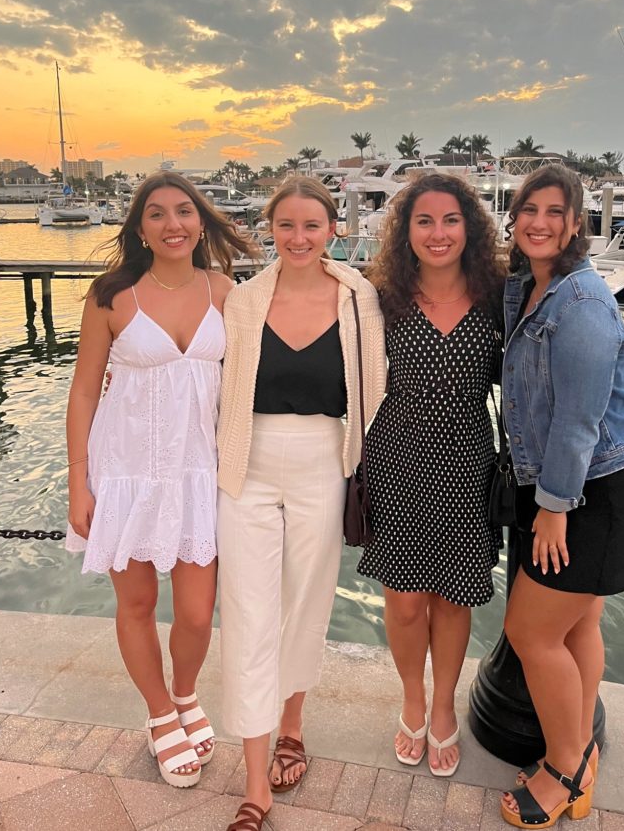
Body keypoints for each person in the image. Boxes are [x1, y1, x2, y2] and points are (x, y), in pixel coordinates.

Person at [65, 171, 256, 789]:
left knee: (197, 614)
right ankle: (159, 714)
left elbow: (249, 383)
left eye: (184, 211)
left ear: (201, 222)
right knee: (139, 604)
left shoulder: (225, 291)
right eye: (157, 213)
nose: (173, 223)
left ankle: (184, 693)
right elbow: (84, 390)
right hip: (125, 472)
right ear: (140, 229)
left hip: (199, 474)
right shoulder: (111, 295)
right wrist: (78, 482)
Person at [215, 177, 387, 831]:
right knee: (248, 611)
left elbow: (374, 391)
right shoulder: (243, 300)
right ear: (270, 229)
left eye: (311, 225)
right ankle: (255, 783)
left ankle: (292, 726)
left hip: (323, 460)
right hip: (247, 463)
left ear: (332, 230)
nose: (298, 237)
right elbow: (215, 384)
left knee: (306, 604)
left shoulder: (358, 298)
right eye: (285, 225)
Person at [499, 165, 624, 828]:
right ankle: (581, 752)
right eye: (527, 209)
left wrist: (552, 509)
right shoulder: (531, 287)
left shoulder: (582, 302)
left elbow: (577, 421)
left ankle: (563, 770)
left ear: (574, 223)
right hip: (582, 485)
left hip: (593, 489)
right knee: (578, 624)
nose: (538, 222)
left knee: (530, 632)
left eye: (553, 212)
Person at [357, 172, 506, 778]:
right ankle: (412, 701)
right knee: (404, 600)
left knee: (452, 597)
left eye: (450, 220)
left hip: (467, 461)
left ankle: (443, 705)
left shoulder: (497, 294)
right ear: (406, 231)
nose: (437, 233)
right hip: (397, 458)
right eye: (424, 221)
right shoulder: (381, 297)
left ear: (468, 227)